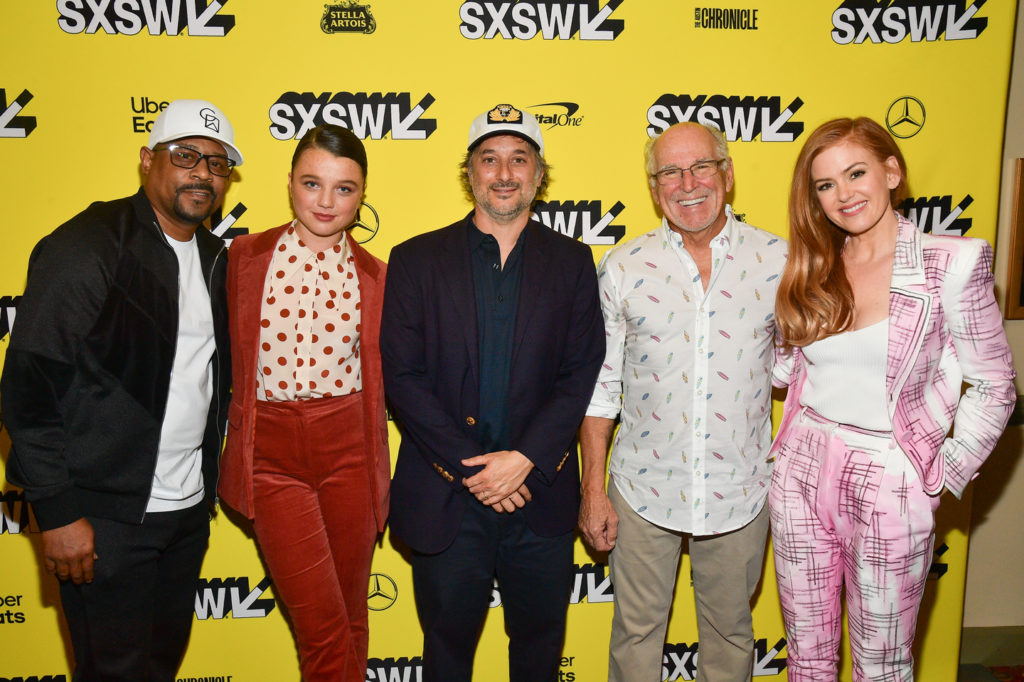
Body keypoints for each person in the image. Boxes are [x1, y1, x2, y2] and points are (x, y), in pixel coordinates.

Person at [770, 117, 1016, 681]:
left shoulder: (950, 264)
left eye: (855, 173)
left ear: (891, 171)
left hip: (889, 472)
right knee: (807, 657)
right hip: (802, 463)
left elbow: (996, 385)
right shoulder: (813, 265)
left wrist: (937, 473)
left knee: (882, 663)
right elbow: (786, 371)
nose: (843, 195)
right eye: (826, 185)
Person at [1, 99, 240, 680]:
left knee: (158, 666)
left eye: (217, 164)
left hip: (184, 515)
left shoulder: (217, 258)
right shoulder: (87, 247)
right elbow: (26, 390)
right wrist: (56, 513)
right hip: (101, 521)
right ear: (146, 160)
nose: (202, 174)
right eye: (185, 156)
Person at [380, 103, 605, 682]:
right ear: (470, 173)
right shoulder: (413, 259)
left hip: (541, 496)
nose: (504, 173)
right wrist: (476, 470)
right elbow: (402, 377)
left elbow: (581, 371)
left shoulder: (574, 262)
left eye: (519, 160)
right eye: (489, 159)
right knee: (447, 653)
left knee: (537, 651)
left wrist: (525, 460)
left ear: (538, 174)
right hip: (446, 497)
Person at [579, 121, 788, 682]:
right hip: (642, 486)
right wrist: (593, 491)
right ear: (653, 187)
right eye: (669, 171)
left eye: (701, 167)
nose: (687, 183)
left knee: (731, 637)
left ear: (728, 174)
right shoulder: (622, 267)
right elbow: (602, 389)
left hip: (740, 487)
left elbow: (805, 377)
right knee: (635, 636)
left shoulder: (779, 261)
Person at [218, 124, 389, 681]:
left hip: (352, 456)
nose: (326, 201)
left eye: (344, 188)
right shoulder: (243, 257)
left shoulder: (378, 278)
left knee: (351, 617)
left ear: (362, 195)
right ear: (289, 183)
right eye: (312, 183)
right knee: (323, 630)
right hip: (271, 461)